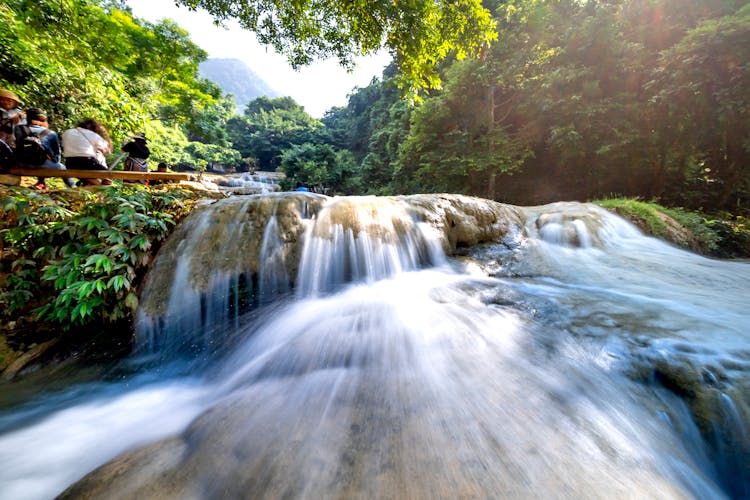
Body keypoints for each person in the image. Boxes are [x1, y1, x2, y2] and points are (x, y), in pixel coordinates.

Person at [15, 108, 75, 189]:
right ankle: (73, 187)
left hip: (20, 164)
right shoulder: (50, 133)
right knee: (62, 168)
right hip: (42, 164)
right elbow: (57, 155)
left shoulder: (18, 128)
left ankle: (41, 182)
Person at [61, 118, 112, 185]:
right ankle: (102, 190)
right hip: (87, 163)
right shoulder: (92, 134)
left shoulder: (67, 132)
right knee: (108, 176)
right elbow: (107, 151)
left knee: (88, 178)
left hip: (70, 164)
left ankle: (96, 187)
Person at [0, 89, 25, 169]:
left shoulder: (19, 113)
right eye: (3, 100)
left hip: (13, 140)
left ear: (14, 103)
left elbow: (23, 128)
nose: (6, 102)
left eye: (9, 100)